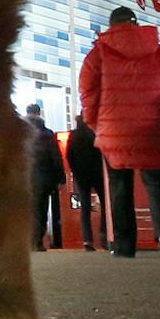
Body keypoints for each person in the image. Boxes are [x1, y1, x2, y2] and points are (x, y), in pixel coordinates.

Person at [80, 7, 160, 258]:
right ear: (135, 24)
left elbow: (88, 92)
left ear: (111, 25)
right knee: (158, 184)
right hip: (153, 125)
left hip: (114, 127)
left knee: (119, 187)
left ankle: (125, 247)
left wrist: (96, 123)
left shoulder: (98, 55)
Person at [23, 103, 66, 251]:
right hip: (44, 178)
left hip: (24, 177)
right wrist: (61, 178)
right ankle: (37, 242)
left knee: (27, 209)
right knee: (41, 210)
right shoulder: (47, 134)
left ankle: (28, 241)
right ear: (39, 113)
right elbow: (56, 157)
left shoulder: (19, 133)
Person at [65, 120, 105, 252]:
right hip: (98, 174)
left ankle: (88, 240)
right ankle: (105, 236)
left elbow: (69, 155)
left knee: (85, 209)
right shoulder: (96, 132)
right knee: (105, 206)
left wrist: (75, 171)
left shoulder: (74, 135)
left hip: (81, 176)